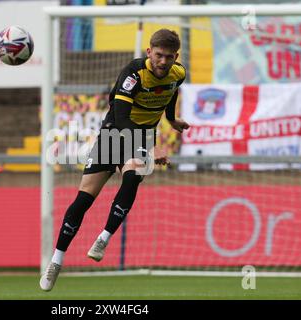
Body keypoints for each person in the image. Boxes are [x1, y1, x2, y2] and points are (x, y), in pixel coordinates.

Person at [40, 29, 190, 291]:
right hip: (115, 132)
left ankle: (103, 237)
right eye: (158, 55)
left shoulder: (178, 73)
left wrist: (170, 118)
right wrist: (152, 151)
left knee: (132, 177)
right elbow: (121, 118)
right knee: (85, 197)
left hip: (143, 137)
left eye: (168, 57)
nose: (163, 62)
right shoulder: (132, 74)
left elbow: (170, 92)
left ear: (175, 56)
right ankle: (56, 261)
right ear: (148, 53)